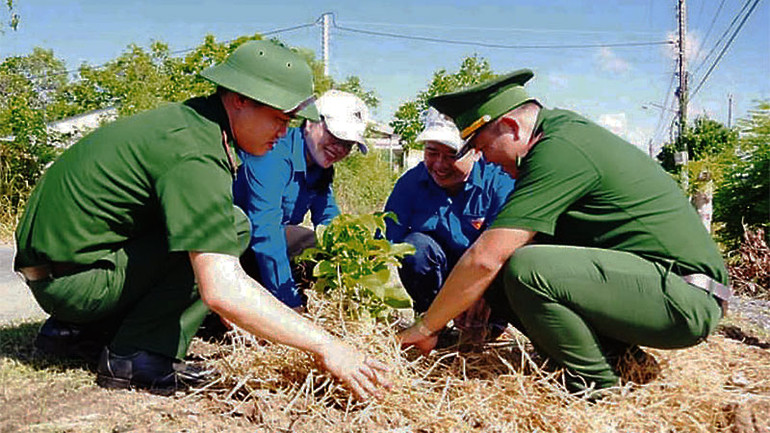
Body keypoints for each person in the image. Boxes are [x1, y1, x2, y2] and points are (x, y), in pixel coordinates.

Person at [14, 40, 390, 400]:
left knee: (216, 226)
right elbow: (221, 287)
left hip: (63, 271)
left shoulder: (190, 124)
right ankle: (135, 357)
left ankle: (81, 331)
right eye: (279, 118)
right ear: (240, 99)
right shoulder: (195, 151)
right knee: (233, 228)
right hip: (75, 282)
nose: (283, 131)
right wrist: (326, 345)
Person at [399, 69, 731, 395]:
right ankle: (618, 360)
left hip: (686, 298)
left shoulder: (560, 150)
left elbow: (486, 257)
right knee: (504, 276)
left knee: (523, 268)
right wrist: (479, 296)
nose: (486, 159)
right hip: (651, 288)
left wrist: (427, 326)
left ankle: (594, 386)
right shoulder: (555, 138)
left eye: (484, 147)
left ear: (511, 128)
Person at [233, 90, 369, 308]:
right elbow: (266, 230)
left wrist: (354, 254)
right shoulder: (273, 153)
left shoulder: (321, 167)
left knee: (326, 244)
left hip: (263, 245)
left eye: (348, 144)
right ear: (310, 123)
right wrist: (289, 301)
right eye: (335, 136)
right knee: (305, 240)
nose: (340, 149)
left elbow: (328, 217)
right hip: (233, 246)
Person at [384, 107, 516, 324]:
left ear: (475, 152)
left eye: (452, 155)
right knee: (414, 246)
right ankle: (431, 321)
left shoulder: (499, 181)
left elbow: (504, 252)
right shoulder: (410, 183)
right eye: (432, 152)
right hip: (440, 275)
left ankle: (490, 323)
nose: (439, 165)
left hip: (486, 276)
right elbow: (385, 238)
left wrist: (480, 294)